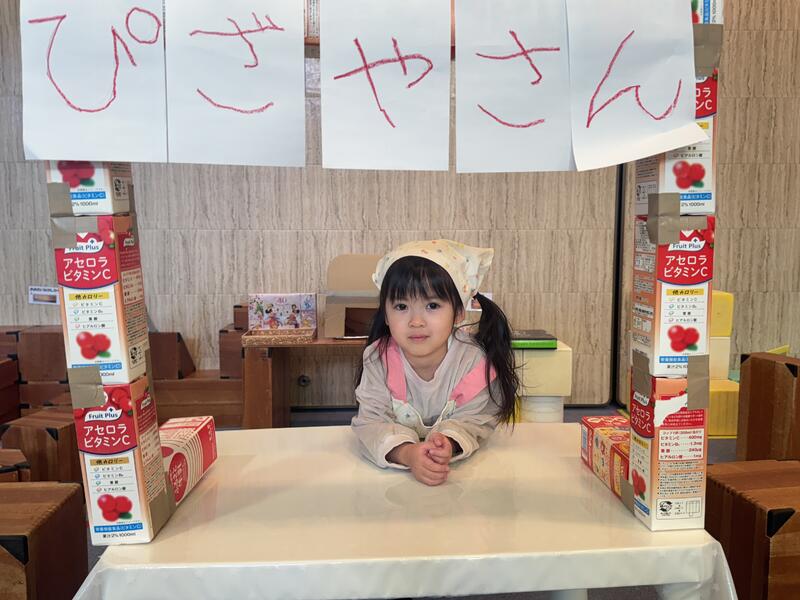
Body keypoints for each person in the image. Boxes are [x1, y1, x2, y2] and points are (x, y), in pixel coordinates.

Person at [352, 240, 519, 486]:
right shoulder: (379, 359)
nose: (416, 321)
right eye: (401, 306)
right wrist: (407, 453)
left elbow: (476, 419)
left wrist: (447, 443)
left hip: (465, 481)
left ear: (458, 312)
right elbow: (371, 423)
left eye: (432, 305)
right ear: (385, 314)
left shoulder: (473, 362)